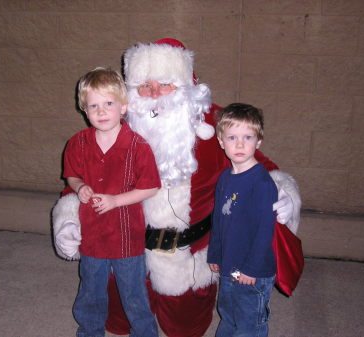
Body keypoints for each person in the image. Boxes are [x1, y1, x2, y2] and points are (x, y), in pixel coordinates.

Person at [53, 39, 301, 337]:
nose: (155, 94)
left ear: (186, 87)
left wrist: (282, 193)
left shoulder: (216, 126)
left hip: (190, 260)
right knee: (117, 322)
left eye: (166, 84)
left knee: (187, 330)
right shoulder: (115, 124)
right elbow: (82, 181)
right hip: (125, 249)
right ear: (131, 95)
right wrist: (68, 220)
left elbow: (262, 166)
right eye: (146, 86)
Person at [60, 67, 160, 337]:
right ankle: (90, 331)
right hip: (92, 236)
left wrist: (116, 200)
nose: (101, 111)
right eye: (93, 106)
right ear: (84, 109)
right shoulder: (78, 143)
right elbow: (71, 175)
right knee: (91, 292)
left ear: (124, 106)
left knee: (134, 296)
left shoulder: (138, 146)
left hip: (127, 238)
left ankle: (145, 333)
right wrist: (80, 186)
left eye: (108, 104)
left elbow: (150, 187)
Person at [208, 103, 278, 337]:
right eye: (232, 137)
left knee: (249, 323)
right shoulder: (225, 178)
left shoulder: (262, 183)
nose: (239, 144)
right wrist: (215, 254)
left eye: (247, 137)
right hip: (229, 265)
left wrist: (251, 268)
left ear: (258, 141)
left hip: (252, 271)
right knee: (228, 314)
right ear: (221, 141)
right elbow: (218, 220)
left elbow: (264, 231)